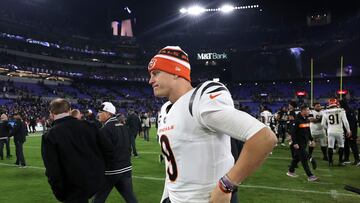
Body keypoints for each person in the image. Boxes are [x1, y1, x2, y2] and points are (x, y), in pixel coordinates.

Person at [148, 46, 277, 203]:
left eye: (156, 73)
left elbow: (264, 138)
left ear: (176, 71)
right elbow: (174, 164)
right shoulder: (165, 110)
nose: (150, 80)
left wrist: (226, 185)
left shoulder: (199, 99)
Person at [41, 98, 107, 203]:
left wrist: (59, 192)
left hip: (71, 188)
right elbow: (105, 150)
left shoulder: (50, 135)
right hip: (94, 181)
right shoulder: (89, 126)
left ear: (51, 112)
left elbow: (53, 170)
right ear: (69, 110)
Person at [93, 102, 138, 203]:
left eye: (100, 112)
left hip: (111, 171)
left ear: (108, 113)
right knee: (130, 198)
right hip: (126, 168)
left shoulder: (105, 130)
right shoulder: (123, 126)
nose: (98, 114)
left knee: (98, 199)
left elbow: (104, 152)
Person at [286, 105, 318, 181]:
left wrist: (311, 139)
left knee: (297, 158)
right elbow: (293, 133)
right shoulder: (297, 120)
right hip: (298, 143)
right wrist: (295, 143)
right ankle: (310, 176)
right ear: (303, 111)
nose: (309, 112)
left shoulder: (306, 119)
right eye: (307, 110)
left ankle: (290, 171)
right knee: (304, 159)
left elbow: (308, 131)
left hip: (304, 142)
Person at [321, 98, 351, 166]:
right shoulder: (341, 110)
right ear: (336, 103)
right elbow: (345, 122)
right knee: (341, 146)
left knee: (330, 146)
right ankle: (340, 161)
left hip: (330, 131)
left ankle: (330, 162)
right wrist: (348, 130)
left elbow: (322, 124)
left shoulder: (325, 112)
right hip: (339, 131)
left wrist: (328, 128)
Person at [339, 100, 359, 166]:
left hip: (351, 131)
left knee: (353, 146)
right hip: (346, 131)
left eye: (340, 104)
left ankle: (357, 160)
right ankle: (347, 159)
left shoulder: (350, 111)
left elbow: (353, 123)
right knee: (346, 145)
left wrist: (350, 131)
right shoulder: (344, 111)